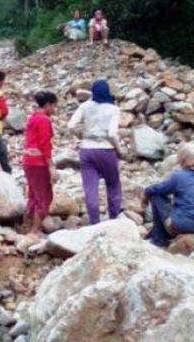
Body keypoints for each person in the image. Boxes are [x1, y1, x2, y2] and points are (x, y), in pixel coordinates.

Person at [67, 79, 122, 224]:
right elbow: (112, 134)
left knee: (90, 188)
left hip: (87, 150)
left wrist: (81, 135)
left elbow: (71, 125)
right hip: (106, 150)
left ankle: (95, 221)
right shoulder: (114, 109)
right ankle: (114, 219)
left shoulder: (85, 106)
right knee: (113, 185)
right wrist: (119, 149)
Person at [143, 143, 194, 247]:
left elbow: (155, 189)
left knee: (156, 195)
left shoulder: (179, 176)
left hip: (184, 225)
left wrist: (144, 197)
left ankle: (159, 239)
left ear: (182, 159)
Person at [23, 91, 58, 235]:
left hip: (28, 161)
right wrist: (51, 165)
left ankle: (26, 224)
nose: (54, 110)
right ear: (48, 105)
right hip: (39, 163)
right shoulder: (44, 120)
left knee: (33, 193)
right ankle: (34, 230)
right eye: (54, 106)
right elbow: (45, 145)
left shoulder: (33, 118)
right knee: (44, 196)